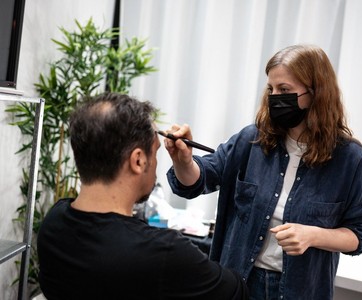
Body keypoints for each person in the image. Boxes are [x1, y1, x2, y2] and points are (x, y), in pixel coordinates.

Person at [162, 44, 362, 299]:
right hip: (240, 284)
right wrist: (184, 161)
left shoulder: (349, 158)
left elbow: (360, 234)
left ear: (315, 93)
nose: (275, 97)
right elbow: (199, 179)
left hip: (300, 291)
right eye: (271, 89)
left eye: (285, 90)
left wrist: (313, 235)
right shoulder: (251, 140)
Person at [37, 93, 249, 300]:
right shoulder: (164, 254)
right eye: (155, 152)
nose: (156, 163)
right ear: (138, 161)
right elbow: (237, 291)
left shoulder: (52, 223)